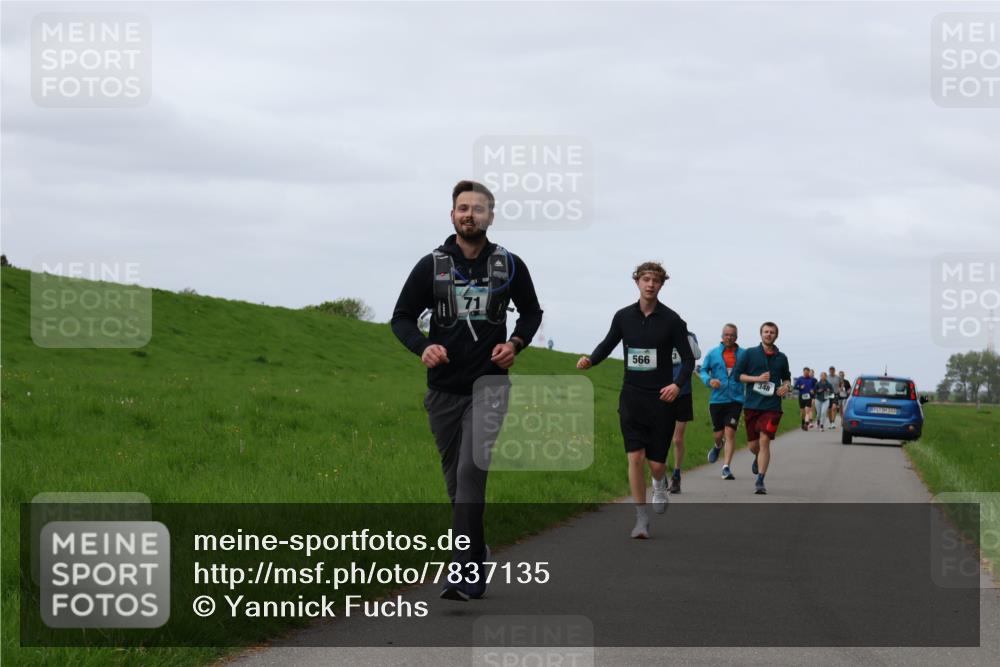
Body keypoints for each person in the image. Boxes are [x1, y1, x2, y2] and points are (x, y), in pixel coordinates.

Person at [391, 180, 543, 600]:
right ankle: (476, 551)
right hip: (442, 390)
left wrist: (515, 343)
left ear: (490, 216)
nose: (469, 214)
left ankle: (462, 570)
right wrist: (423, 347)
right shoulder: (432, 265)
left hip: (490, 387)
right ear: (452, 214)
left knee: (470, 471)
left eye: (478, 209)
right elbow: (401, 318)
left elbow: (531, 312)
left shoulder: (509, 264)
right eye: (462, 208)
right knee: (456, 486)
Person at [577, 261, 694, 538]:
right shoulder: (623, 317)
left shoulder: (672, 320)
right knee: (635, 457)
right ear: (637, 282)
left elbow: (689, 359)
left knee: (655, 463)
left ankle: (659, 481)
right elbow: (608, 343)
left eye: (655, 280)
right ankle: (641, 519)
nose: (650, 284)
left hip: (662, 399)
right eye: (645, 279)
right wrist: (591, 359)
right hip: (632, 396)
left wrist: (677, 385)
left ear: (662, 285)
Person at [732, 322, 791, 495]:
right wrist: (756, 379)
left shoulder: (782, 357)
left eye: (772, 332)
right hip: (752, 405)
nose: (769, 334)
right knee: (753, 445)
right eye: (766, 331)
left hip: (772, 406)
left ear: (776, 335)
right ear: (761, 334)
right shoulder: (750, 353)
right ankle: (757, 457)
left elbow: (787, 379)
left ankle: (760, 480)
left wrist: (786, 387)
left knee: (765, 440)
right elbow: (738, 375)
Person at [700, 323, 746, 480]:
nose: (729, 337)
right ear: (722, 336)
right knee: (718, 434)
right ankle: (717, 445)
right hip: (717, 399)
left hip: (736, 399)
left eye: (732, 335)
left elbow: (752, 370)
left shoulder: (744, 354)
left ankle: (726, 467)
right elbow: (703, 370)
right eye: (727, 334)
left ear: (736, 337)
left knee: (730, 433)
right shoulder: (713, 353)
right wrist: (709, 380)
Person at [667, 331, 701, 493]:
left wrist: (687, 335)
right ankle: (660, 476)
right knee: (660, 439)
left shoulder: (689, 336)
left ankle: (676, 475)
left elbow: (697, 355)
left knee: (677, 439)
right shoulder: (660, 335)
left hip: (683, 393)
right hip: (662, 393)